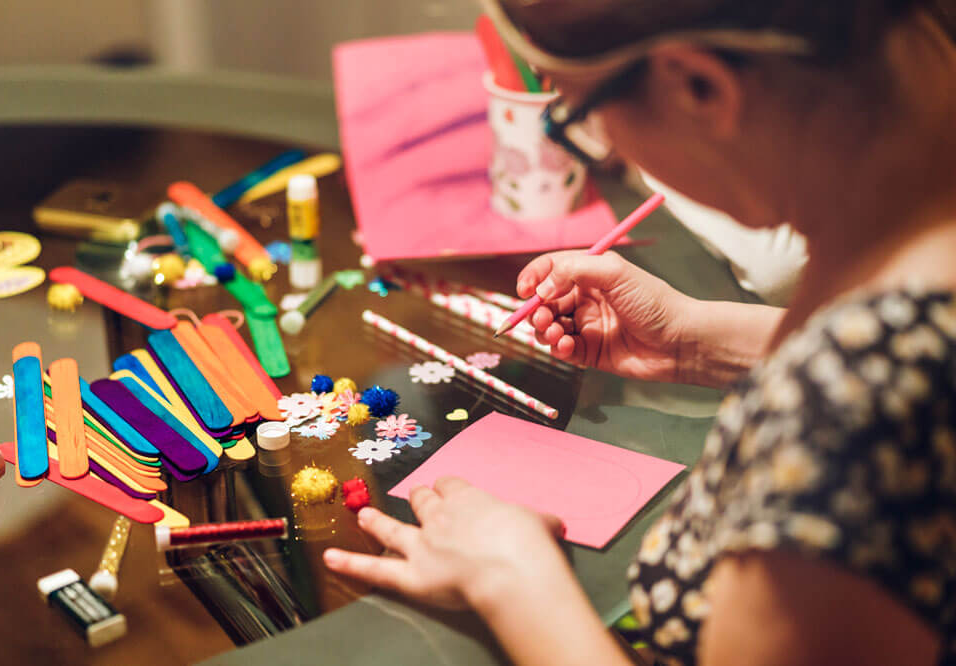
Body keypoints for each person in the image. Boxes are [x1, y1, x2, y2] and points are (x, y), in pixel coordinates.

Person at [324, 0, 956, 663]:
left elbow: (870, 393)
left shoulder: (847, 417)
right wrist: (700, 340)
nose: (604, 149)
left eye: (575, 120)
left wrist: (511, 577)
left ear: (699, 87)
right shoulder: (912, 219)